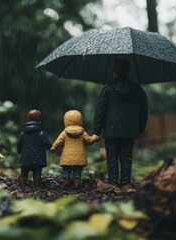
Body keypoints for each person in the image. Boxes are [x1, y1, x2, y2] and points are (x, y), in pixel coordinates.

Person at [93, 59, 148, 193]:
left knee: (111, 157)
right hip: (130, 130)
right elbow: (144, 111)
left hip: (111, 131)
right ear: (128, 71)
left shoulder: (107, 89)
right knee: (127, 156)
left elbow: (100, 111)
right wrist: (140, 129)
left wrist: (96, 131)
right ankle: (126, 183)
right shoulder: (138, 90)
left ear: (114, 71)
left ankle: (113, 183)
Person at [51, 110, 100, 188]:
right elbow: (89, 141)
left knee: (66, 170)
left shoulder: (64, 133)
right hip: (79, 157)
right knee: (77, 171)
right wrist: (95, 137)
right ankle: (77, 184)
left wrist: (54, 147)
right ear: (80, 120)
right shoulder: (82, 133)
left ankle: (65, 183)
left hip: (67, 157)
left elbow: (58, 141)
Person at [17, 109, 52, 188]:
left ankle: (22, 186)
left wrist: (20, 152)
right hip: (37, 159)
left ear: (28, 119)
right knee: (37, 173)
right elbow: (47, 144)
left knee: (23, 173)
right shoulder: (41, 133)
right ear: (40, 120)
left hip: (25, 158)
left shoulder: (23, 133)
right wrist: (51, 149)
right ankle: (37, 187)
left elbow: (19, 144)